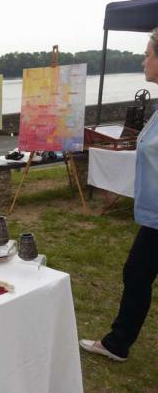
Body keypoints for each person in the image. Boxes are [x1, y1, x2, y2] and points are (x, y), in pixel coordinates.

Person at [80, 28, 158, 361]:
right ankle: (117, 343)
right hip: (154, 217)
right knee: (137, 272)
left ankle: (117, 342)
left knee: (137, 272)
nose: (144, 61)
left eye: (148, 54)